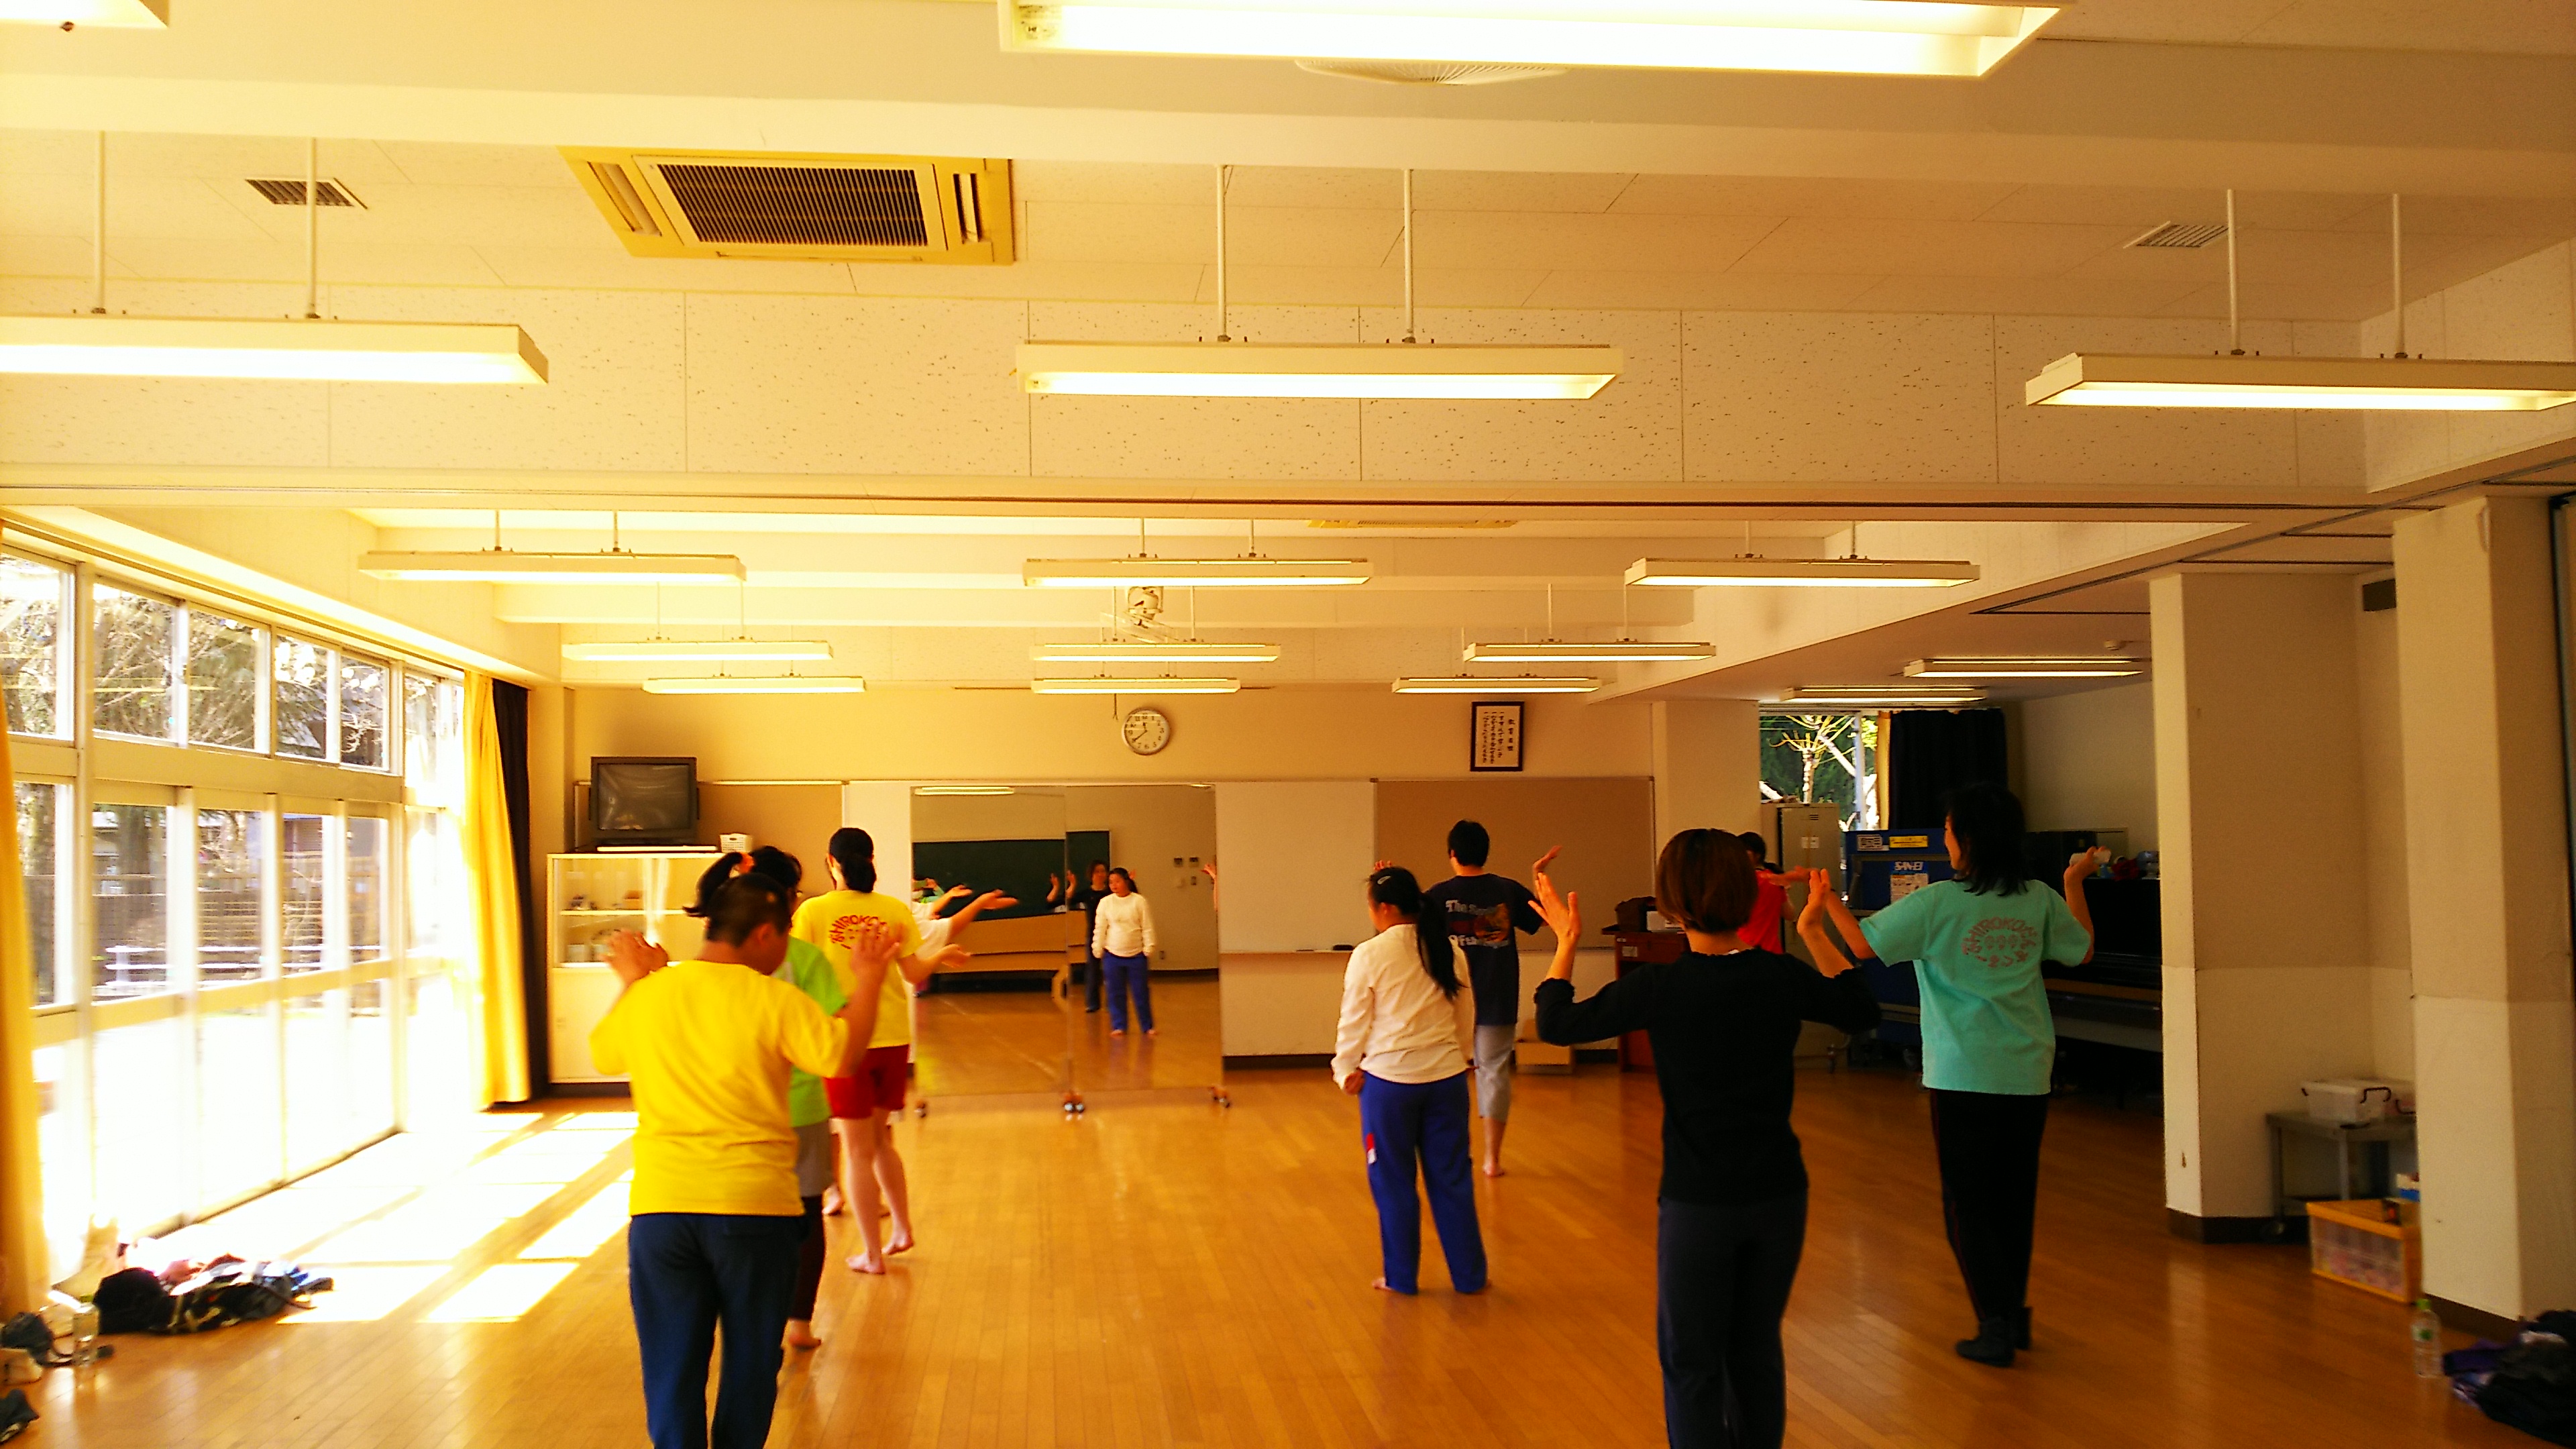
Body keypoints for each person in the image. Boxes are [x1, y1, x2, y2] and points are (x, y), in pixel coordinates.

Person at [1534, 832, 1878, 1449]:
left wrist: (1566, 941)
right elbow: (1860, 1009)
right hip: (1779, 1196)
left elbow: (1557, 1023)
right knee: (1755, 1352)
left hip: (1699, 1206)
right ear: (1747, 895)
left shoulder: (1659, 987)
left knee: (1693, 1362)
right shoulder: (1778, 975)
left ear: (1671, 905)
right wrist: (1813, 931)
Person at [592, 873, 898, 1449]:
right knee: (752, 1368)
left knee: (671, 1371)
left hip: (661, 1212)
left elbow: (604, 1056)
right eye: (784, 935)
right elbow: (842, 1057)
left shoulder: (652, 994)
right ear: (763, 935)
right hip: (755, 1212)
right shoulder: (774, 999)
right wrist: (870, 980)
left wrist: (634, 981)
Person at [1807, 782, 2101, 1368]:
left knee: (1967, 1205)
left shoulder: (1939, 901)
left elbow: (1862, 947)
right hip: (2027, 1069)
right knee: (2014, 1200)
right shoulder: (2039, 898)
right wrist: (2074, 883)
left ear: (1966, 838)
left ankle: (1994, 1324)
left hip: (1963, 1072)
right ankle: (2012, 1314)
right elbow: (2083, 950)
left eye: (1947, 829)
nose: (1944, 838)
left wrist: (1826, 900)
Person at [791, 827, 969, 1274]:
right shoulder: (892, 909)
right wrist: (941, 955)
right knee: (880, 1141)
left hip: (847, 1040)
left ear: (831, 862)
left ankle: (872, 1254)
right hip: (892, 1038)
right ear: (870, 859)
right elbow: (914, 974)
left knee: (857, 1151)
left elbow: (795, 974)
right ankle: (902, 1230)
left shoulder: (813, 911)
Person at [1332, 865, 1487, 1297]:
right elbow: (1465, 1013)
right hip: (1446, 1081)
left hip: (1389, 1087)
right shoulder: (1448, 948)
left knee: (1393, 1183)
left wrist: (1345, 1069)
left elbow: (1354, 1020)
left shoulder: (1370, 954)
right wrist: (1461, 1056)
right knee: (1453, 1180)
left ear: (1384, 908)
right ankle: (1470, 1277)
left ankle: (1401, 1278)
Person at [1419, 821, 1554, 1178]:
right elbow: (1547, 918)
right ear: (1486, 852)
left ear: (1452, 854)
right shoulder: (1507, 890)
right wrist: (1540, 878)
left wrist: (1387, 882)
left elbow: (1405, 925)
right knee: (1493, 1072)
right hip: (1498, 996)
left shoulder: (1438, 896)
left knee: (1443, 1073)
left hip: (1449, 1001)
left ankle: (1447, 1154)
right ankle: (1492, 1159)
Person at [1090, 866, 1160, 1036]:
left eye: (1117, 881)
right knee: (1115, 992)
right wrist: (1097, 947)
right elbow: (1100, 928)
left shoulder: (1139, 901)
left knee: (1141, 992)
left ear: (1126, 881)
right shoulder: (1105, 903)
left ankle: (1147, 1026)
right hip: (1112, 955)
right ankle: (1119, 1025)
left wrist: (1149, 947)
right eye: (1111, 882)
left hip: (1136, 956)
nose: (1114, 885)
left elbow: (1147, 926)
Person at [1065, 861, 1113, 1013]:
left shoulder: (1111, 893)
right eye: (1097, 871)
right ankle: (1093, 1003)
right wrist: (1072, 885)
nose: (1101, 874)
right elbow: (1067, 901)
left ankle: (1112, 1003)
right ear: (1091, 875)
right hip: (1093, 936)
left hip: (1112, 936)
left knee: (1112, 971)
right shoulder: (1087, 894)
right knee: (1092, 970)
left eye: (1103, 871)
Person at [1735, 831, 1788, 955]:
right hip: (1772, 951)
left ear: (1757, 855)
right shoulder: (1775, 878)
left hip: (1744, 949)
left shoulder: (1742, 880)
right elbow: (1789, 914)